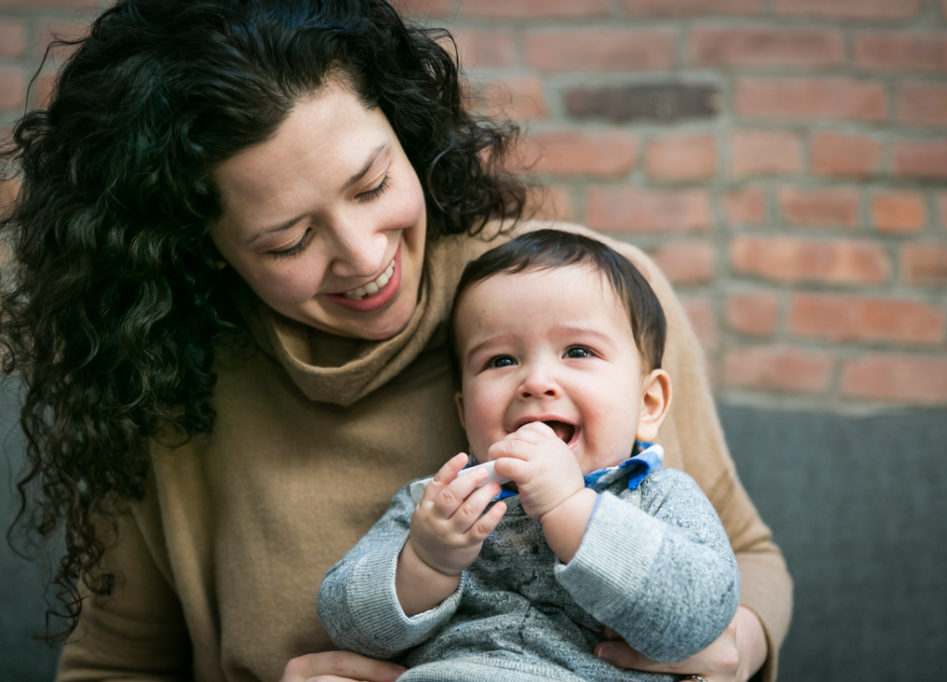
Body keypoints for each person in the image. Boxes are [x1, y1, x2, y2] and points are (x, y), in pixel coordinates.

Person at [0, 1, 791, 681]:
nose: (366, 255)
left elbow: (746, 551)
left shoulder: (594, 303)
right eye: (287, 241)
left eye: (373, 184)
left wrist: (733, 645)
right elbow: (115, 665)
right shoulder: (161, 386)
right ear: (204, 247)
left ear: (406, 131)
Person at [318, 230, 742, 681]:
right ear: (464, 414)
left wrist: (569, 508)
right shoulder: (436, 504)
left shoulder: (659, 498)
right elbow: (346, 626)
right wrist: (425, 562)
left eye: (578, 351)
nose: (536, 381)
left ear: (648, 404)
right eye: (501, 360)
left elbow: (700, 619)